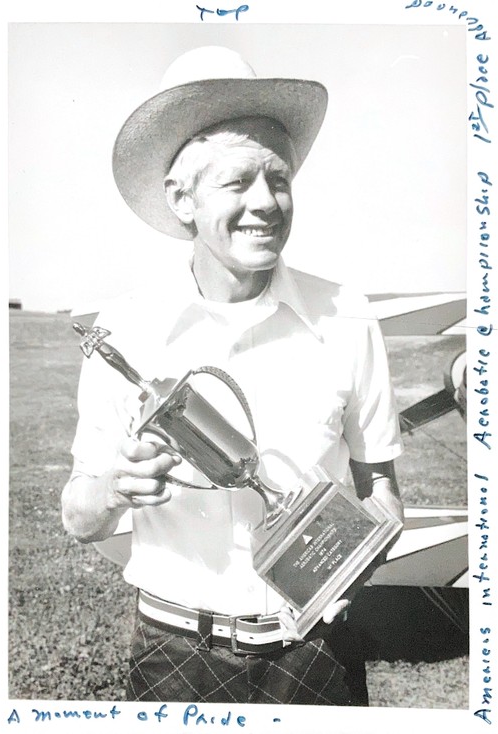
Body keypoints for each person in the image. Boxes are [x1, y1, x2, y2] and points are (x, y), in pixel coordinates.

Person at [62, 46, 404, 706]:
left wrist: (360, 553)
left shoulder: (345, 315)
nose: (266, 203)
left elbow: (381, 485)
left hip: (315, 655)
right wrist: (117, 488)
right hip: (173, 654)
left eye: (279, 180)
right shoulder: (123, 330)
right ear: (181, 199)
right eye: (237, 182)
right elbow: (79, 517)